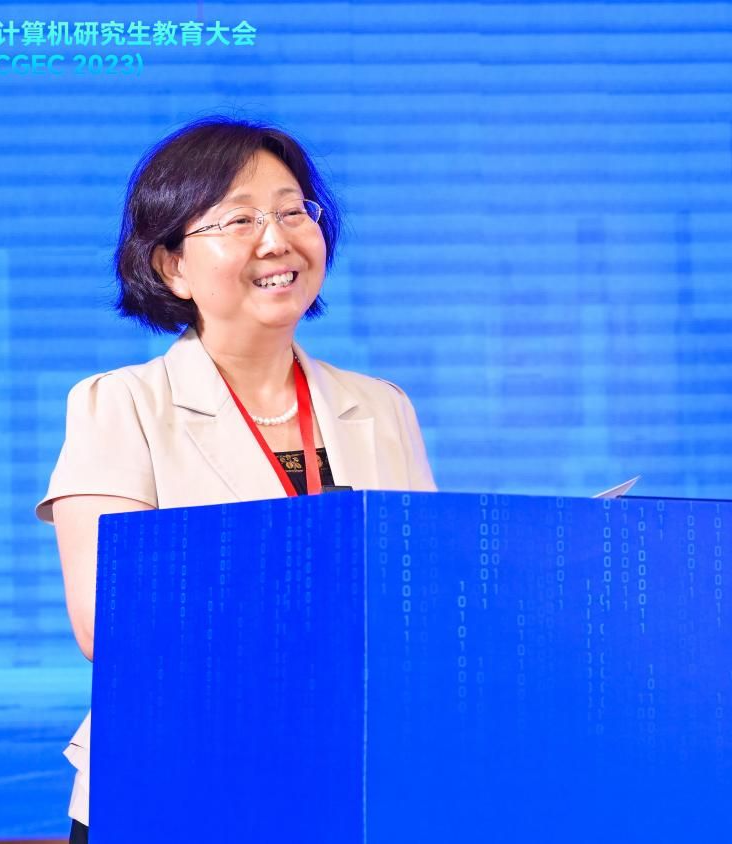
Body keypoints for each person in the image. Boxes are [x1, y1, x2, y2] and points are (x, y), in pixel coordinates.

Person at [35, 116, 437, 842]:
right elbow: (108, 621)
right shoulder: (120, 405)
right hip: (175, 779)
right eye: (239, 219)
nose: (276, 239)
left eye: (293, 211)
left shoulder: (382, 407)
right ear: (172, 267)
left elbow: (422, 590)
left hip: (348, 780)